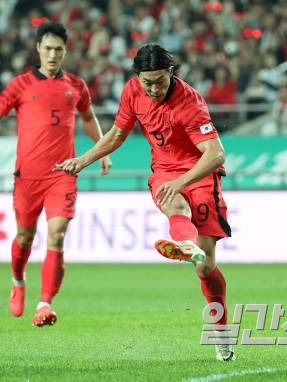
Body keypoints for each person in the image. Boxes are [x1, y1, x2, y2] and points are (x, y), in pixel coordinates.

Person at [54, 43, 235, 361]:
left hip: (200, 174)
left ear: (171, 73)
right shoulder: (132, 91)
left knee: (207, 267)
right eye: (146, 81)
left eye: (159, 81)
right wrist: (83, 159)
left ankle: (221, 332)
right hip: (165, 171)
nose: (152, 88)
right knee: (174, 205)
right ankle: (185, 244)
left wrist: (183, 180)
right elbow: (116, 134)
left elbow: (216, 153)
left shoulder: (190, 103)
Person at [0, 21, 111, 326]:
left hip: (63, 173)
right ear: (38, 48)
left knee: (57, 235)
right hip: (27, 176)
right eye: (47, 48)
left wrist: (102, 150)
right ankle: (18, 280)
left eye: (58, 49)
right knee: (24, 237)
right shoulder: (20, 85)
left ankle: (44, 304)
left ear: (65, 51)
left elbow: (88, 116)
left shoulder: (76, 85)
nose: (52, 54)